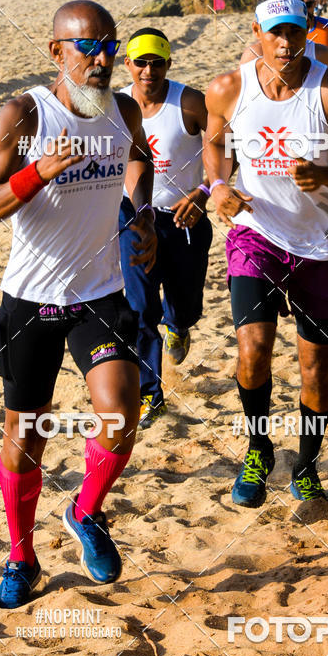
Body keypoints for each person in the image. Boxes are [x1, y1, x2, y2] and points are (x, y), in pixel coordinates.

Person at [0, 0, 157, 608]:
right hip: (31, 299)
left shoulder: (123, 107)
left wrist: (141, 216)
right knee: (25, 432)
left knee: (121, 412)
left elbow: (141, 157)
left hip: (100, 294)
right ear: (56, 51)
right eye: (87, 46)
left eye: (110, 45)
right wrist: (36, 174)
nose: (103, 58)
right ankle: (22, 556)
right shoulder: (25, 113)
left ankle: (85, 512)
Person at [203, 0, 328, 507]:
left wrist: (325, 175)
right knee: (253, 350)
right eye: (274, 32)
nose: (284, 43)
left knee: (316, 368)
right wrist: (218, 186)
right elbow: (215, 144)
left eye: (294, 32)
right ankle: (257, 450)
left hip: (319, 246)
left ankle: (305, 463)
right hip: (255, 236)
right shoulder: (228, 89)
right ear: (257, 32)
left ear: (308, 32)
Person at [118, 27, 212, 428]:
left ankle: (180, 325)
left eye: (157, 62)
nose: (148, 70)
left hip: (185, 218)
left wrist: (206, 190)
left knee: (184, 304)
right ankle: (149, 394)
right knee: (139, 309)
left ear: (169, 64)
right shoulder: (116, 106)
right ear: (128, 64)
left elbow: (226, 151)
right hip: (136, 219)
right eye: (140, 62)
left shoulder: (189, 102)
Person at [241, 0, 328, 69]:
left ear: (307, 26)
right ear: (257, 30)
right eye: (276, 32)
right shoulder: (252, 57)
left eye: (294, 31)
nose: (286, 43)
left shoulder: (321, 55)